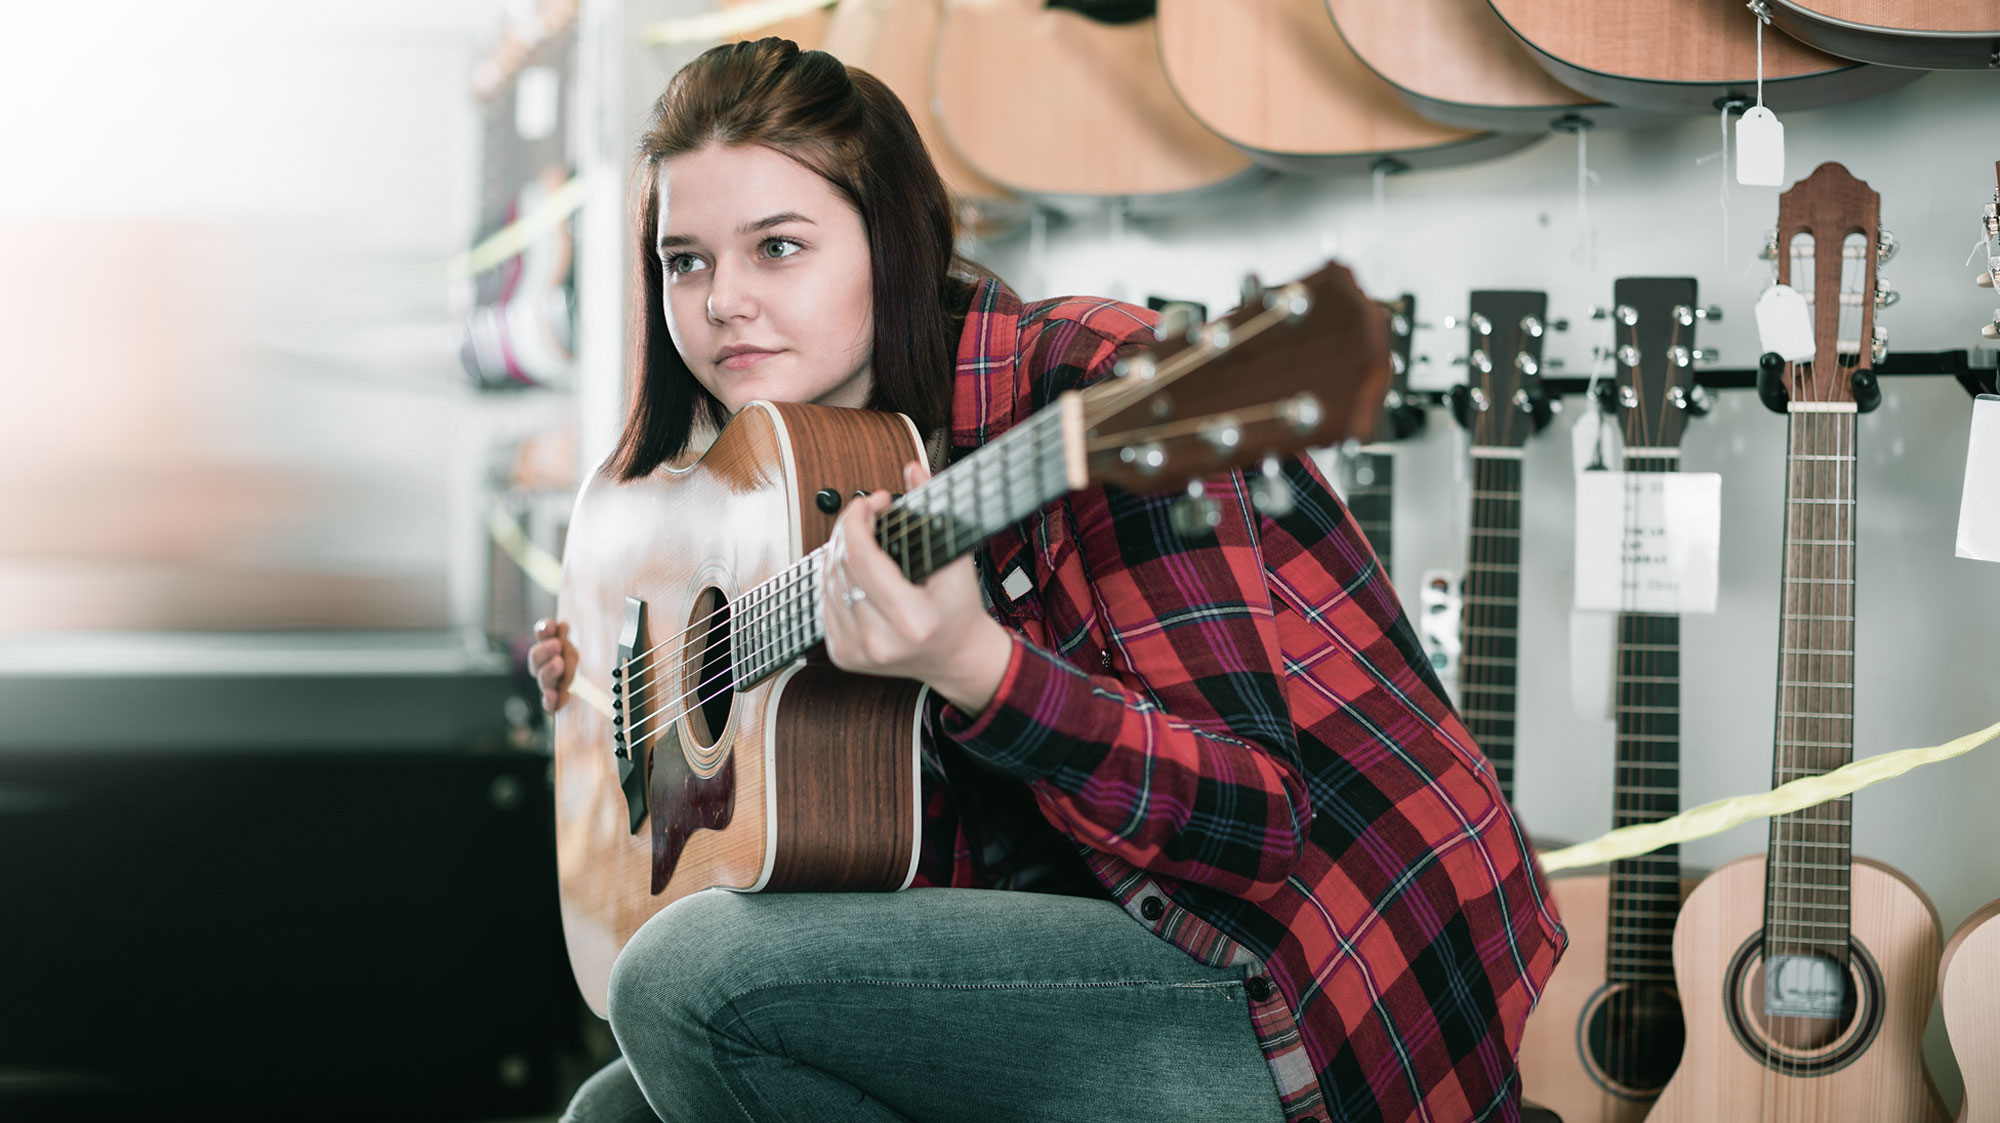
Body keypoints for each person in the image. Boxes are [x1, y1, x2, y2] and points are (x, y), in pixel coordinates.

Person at [532, 36, 1563, 1123]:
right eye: (683, 260)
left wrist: (976, 665)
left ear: (891, 241)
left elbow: (1255, 830)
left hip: (1295, 982)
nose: (722, 300)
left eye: (777, 248)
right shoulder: (769, 462)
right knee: (612, 1109)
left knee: (683, 983)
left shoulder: (1096, 386)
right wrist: (607, 680)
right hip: (1065, 937)